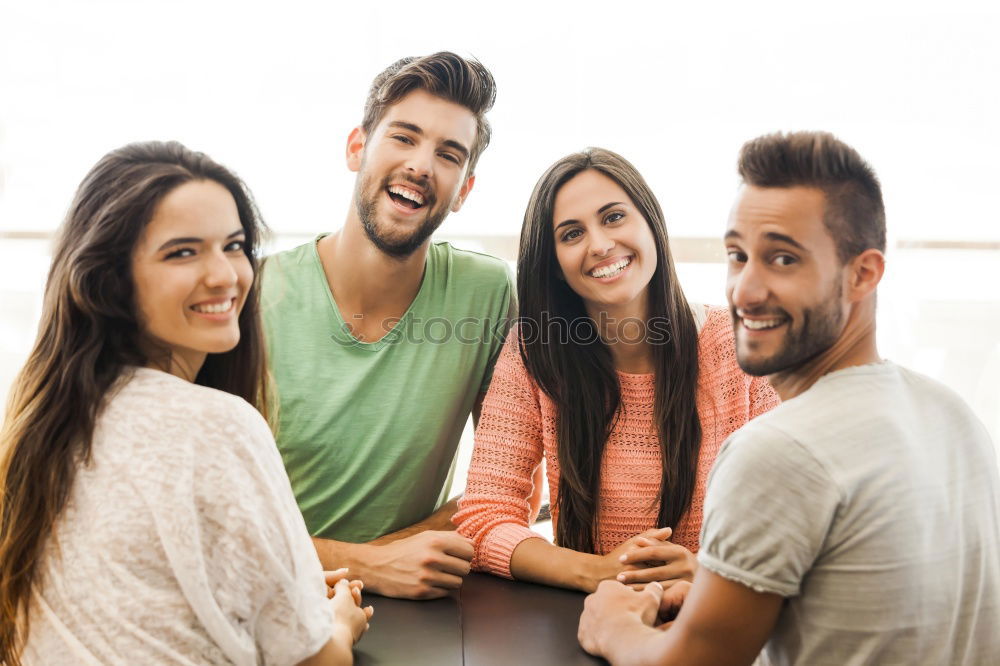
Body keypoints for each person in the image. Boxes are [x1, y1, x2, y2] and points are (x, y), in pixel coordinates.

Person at [577, 131, 1000, 665]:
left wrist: (613, 626)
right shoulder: (951, 414)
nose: (744, 291)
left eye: (782, 260)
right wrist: (717, 596)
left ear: (862, 274)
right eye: (737, 255)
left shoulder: (777, 451)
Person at [0, 142, 372, 666]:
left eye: (234, 245)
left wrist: (293, 589)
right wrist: (338, 620)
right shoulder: (216, 424)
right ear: (110, 280)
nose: (225, 275)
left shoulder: (45, 419)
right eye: (183, 252)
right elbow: (318, 662)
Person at [452, 148, 778, 592]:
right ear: (555, 265)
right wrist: (595, 571)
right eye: (571, 234)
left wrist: (709, 574)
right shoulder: (534, 353)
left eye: (613, 217)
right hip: (588, 619)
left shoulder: (738, 346)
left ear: (651, 223)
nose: (600, 245)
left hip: (718, 619)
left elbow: (789, 520)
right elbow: (483, 517)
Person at [260, 52, 514, 600]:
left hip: (409, 610)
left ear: (465, 189)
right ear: (358, 148)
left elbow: (510, 485)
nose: (422, 166)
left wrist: (400, 559)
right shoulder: (252, 294)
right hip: (259, 598)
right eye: (404, 137)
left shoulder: (489, 295)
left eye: (449, 155)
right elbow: (203, 516)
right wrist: (370, 565)